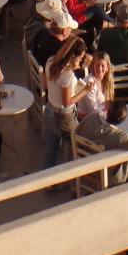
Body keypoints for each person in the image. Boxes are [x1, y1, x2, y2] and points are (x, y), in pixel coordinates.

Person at [42, 36, 91, 171]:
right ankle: (75, 171)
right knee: (80, 143)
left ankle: (47, 177)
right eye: (80, 59)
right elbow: (67, 102)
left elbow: (46, 84)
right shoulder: (67, 76)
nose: (80, 61)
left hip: (50, 109)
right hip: (64, 116)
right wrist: (85, 91)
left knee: (51, 149)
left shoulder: (51, 61)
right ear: (73, 57)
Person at [30, 0, 79, 66]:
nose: (71, 31)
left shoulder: (42, 32)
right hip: (46, 70)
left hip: (39, 63)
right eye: (70, 28)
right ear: (65, 31)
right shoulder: (60, 50)